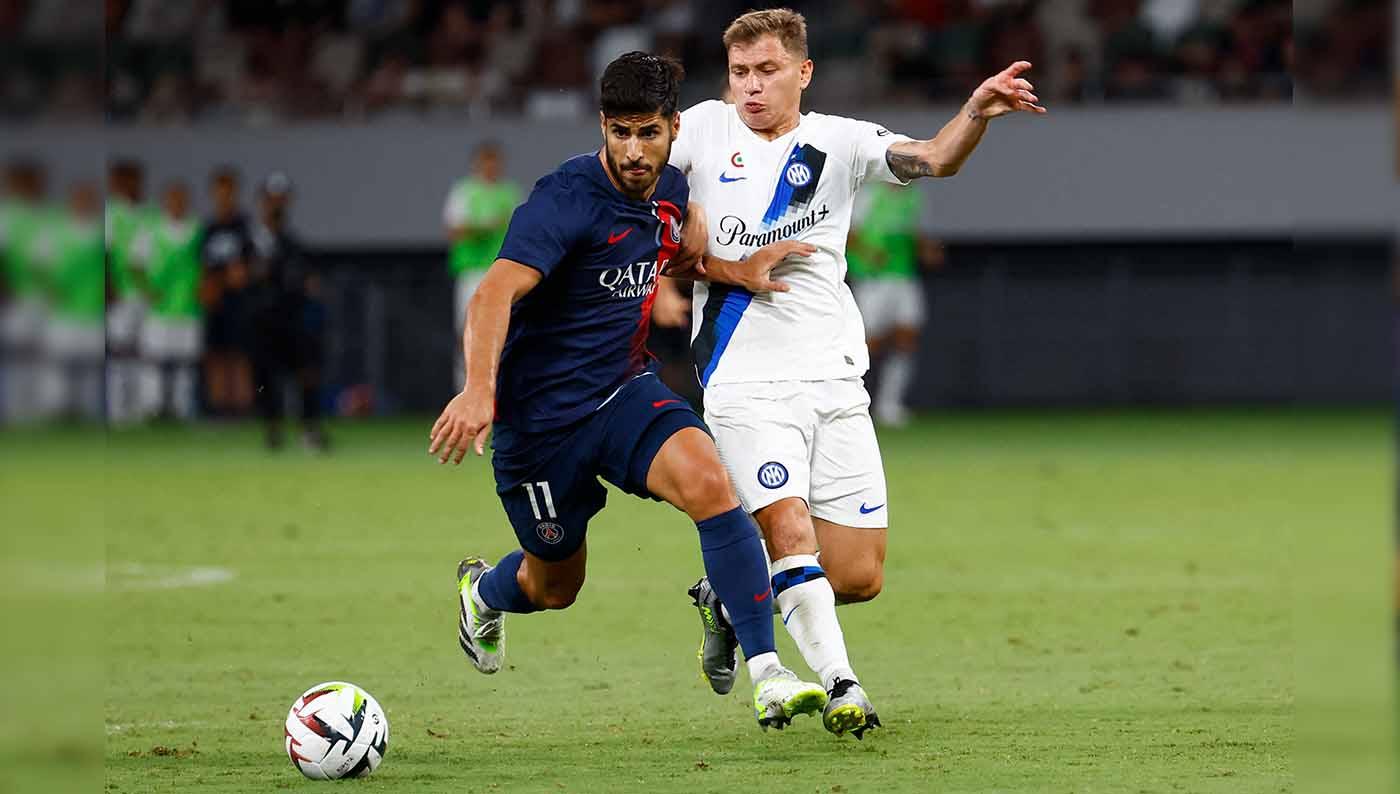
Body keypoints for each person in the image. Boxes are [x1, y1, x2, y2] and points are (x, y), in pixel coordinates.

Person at [666, 8, 1045, 738]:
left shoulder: (839, 141)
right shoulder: (703, 129)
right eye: (740, 72)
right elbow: (633, 177)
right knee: (790, 528)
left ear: (802, 72)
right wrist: (706, 262)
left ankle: (729, 594)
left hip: (835, 379)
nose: (751, 87)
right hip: (743, 380)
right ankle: (844, 686)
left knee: (860, 575)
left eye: (767, 71)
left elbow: (933, 158)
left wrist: (976, 111)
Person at [428, 51, 826, 730]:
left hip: (622, 393)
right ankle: (484, 592)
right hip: (541, 426)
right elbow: (494, 293)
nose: (635, 151)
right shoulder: (565, 199)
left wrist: (733, 269)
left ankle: (769, 674)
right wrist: (478, 389)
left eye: (649, 132)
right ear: (603, 128)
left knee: (711, 485)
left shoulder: (670, 191)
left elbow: (671, 254)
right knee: (554, 586)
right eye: (621, 133)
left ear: (674, 127)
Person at [247, 172, 328, 451]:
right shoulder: (250, 241)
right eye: (272, 200)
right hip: (262, 318)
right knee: (267, 377)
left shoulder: (292, 244)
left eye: (281, 199)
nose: (277, 205)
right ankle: (273, 428)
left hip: (292, 318)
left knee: (306, 373)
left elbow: (307, 280)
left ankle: (309, 428)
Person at [847, 181, 934, 426]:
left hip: (904, 276)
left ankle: (889, 405)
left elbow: (911, 232)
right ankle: (852, 403)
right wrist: (868, 254)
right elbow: (849, 234)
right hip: (872, 278)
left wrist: (926, 248)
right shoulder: (869, 195)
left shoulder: (913, 197)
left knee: (907, 338)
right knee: (867, 344)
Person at [442, 141, 521, 391]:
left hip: (503, 271)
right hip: (472, 271)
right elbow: (454, 230)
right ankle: (465, 391)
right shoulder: (464, 192)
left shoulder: (510, 193)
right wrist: (483, 227)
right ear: (476, 164)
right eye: (486, 161)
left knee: (506, 330)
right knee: (468, 331)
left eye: (494, 161)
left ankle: (502, 391)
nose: (491, 167)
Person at [128, 181, 203, 421]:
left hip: (189, 306)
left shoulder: (197, 230)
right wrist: (146, 290)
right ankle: (152, 408)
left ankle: (182, 409)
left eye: (181, 199)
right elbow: (135, 265)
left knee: (186, 363)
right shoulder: (150, 231)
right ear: (164, 202)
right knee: (153, 362)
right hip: (158, 308)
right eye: (172, 199)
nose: (176, 204)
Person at [200, 166, 255, 418]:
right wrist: (208, 287)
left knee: (239, 356)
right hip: (215, 304)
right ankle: (218, 408)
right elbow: (202, 266)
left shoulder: (243, 227)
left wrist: (222, 281)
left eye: (228, 191)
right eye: (219, 191)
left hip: (238, 302)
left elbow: (243, 271)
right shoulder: (209, 229)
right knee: (216, 357)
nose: (223, 196)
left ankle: (241, 407)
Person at [105, 159, 156, 425]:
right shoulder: (110, 214)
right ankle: (118, 410)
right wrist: (109, 287)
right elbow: (105, 254)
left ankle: (143, 409)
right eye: (122, 180)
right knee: (119, 353)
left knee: (145, 353)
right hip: (122, 294)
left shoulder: (150, 213)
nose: (128, 186)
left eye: (133, 179)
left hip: (146, 295)